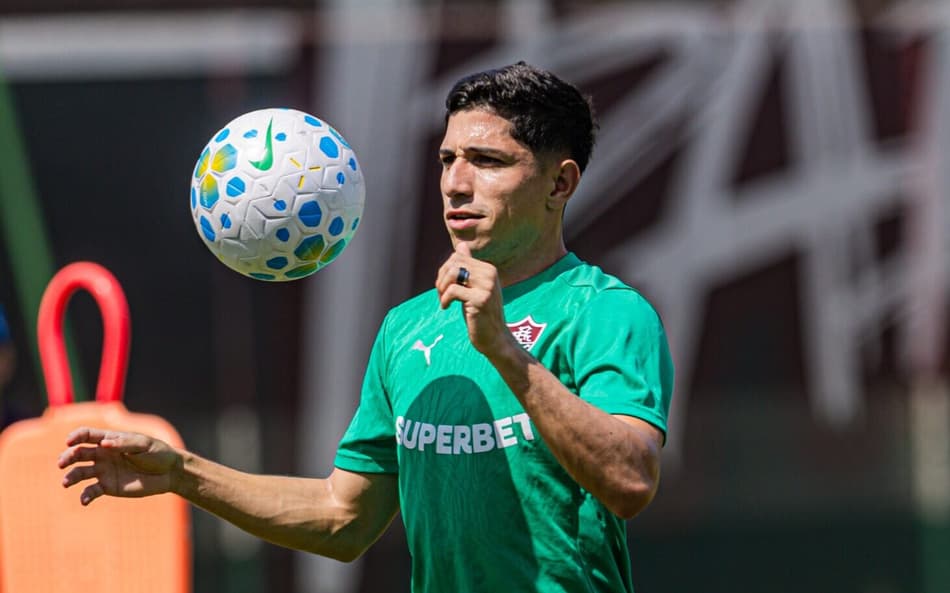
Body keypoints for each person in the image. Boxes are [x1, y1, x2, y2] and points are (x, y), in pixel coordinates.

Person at [59, 62, 674, 593]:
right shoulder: (408, 329)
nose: (457, 184)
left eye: (488, 162)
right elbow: (344, 517)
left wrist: (506, 353)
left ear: (560, 182)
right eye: (448, 159)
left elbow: (629, 481)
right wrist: (182, 474)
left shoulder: (606, 312)